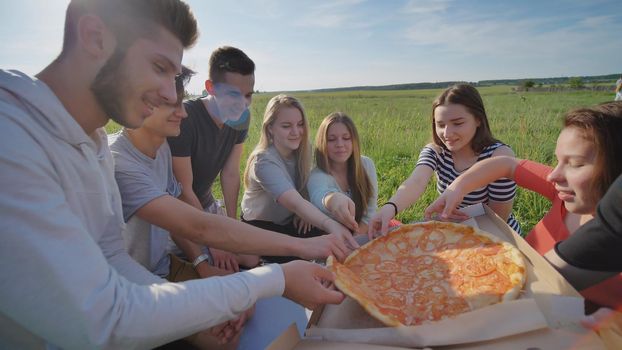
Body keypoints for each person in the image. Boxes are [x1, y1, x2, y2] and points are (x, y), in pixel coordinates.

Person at [0, 1, 345, 349]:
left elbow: (114, 258)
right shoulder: (12, 136)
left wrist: (206, 306)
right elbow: (105, 317)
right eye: (158, 67)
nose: (170, 94)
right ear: (93, 36)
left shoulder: (93, 142)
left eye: (174, 75)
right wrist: (274, 277)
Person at [110, 67, 357, 348]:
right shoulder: (120, 163)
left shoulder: (162, 148)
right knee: (223, 331)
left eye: (180, 102)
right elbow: (197, 225)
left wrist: (202, 264)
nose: (183, 112)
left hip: (166, 266)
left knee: (242, 308)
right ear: (137, 104)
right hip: (134, 285)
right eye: (170, 104)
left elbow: (178, 222)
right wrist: (304, 249)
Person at [425, 101, 622, 310]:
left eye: (575, 164)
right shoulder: (563, 193)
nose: (554, 175)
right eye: (558, 161)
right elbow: (506, 165)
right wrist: (457, 187)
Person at [368, 84, 521, 237]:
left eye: (458, 123)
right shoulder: (435, 151)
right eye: (440, 125)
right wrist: (390, 207)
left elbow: (499, 218)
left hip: (497, 233)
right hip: (453, 230)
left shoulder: (499, 155)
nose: (447, 133)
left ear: (478, 120)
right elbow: (417, 181)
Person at [168, 46, 257, 272]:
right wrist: (213, 240)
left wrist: (231, 223)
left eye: (248, 95)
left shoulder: (241, 118)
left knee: (250, 257)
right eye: (234, 94)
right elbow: (184, 189)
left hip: (206, 205)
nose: (243, 104)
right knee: (220, 263)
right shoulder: (186, 118)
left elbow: (229, 173)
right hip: (178, 207)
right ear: (210, 87)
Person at [241, 95, 359, 264]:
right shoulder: (263, 161)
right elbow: (294, 202)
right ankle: (250, 256)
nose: (296, 132)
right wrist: (330, 225)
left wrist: (306, 210)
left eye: (300, 124)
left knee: (339, 235)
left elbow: (307, 188)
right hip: (261, 226)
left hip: (290, 221)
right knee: (313, 252)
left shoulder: (303, 150)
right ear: (270, 128)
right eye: (286, 126)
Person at [307, 112, 378, 235]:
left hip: (360, 233)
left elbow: (370, 213)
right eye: (331, 139)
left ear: (354, 141)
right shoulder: (315, 174)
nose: (340, 144)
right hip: (327, 238)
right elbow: (320, 194)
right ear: (322, 142)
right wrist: (333, 200)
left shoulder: (366, 164)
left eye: (346, 138)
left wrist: (356, 241)